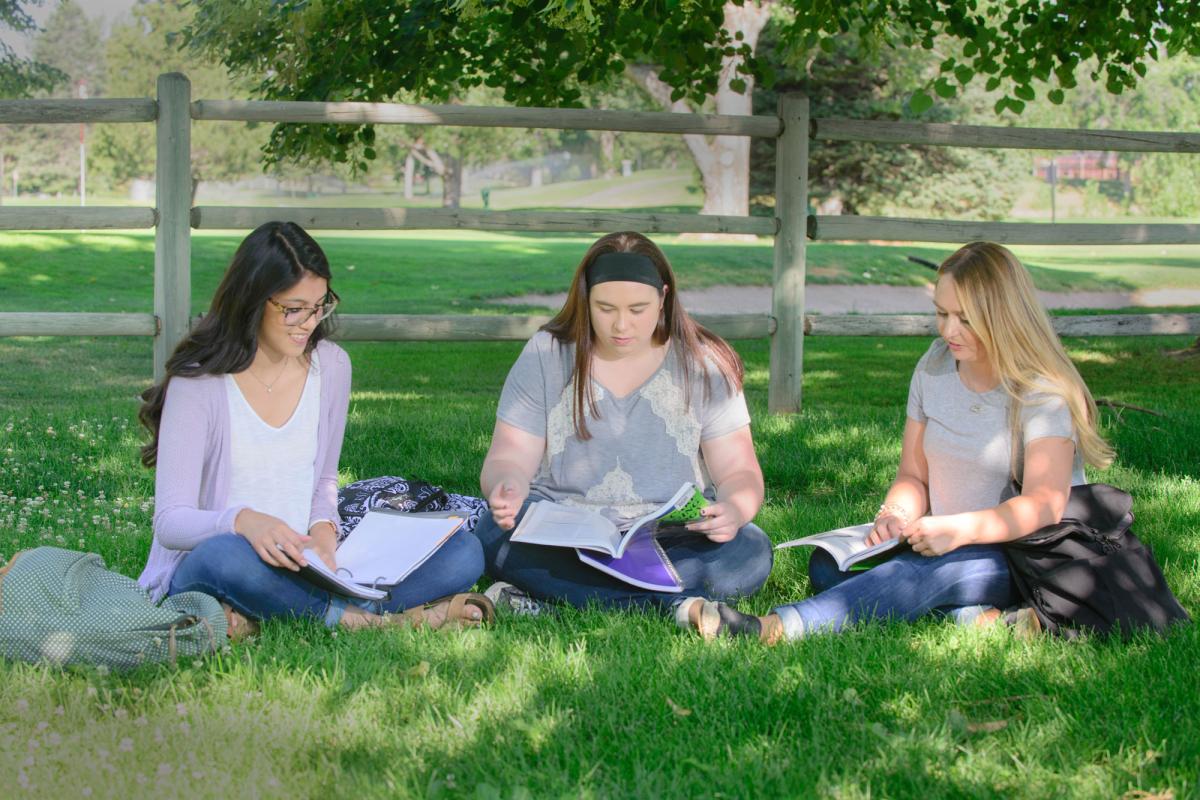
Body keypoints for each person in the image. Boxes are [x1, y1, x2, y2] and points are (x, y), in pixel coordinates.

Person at [683, 241, 1114, 643]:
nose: (949, 330)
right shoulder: (934, 365)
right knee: (828, 567)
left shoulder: (1041, 392)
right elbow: (913, 474)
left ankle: (779, 626)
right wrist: (894, 514)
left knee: (920, 574)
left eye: (965, 318)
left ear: (1003, 316)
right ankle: (983, 619)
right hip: (940, 536)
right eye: (941, 313)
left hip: (1018, 552)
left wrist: (957, 530)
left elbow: (1044, 505)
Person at [135, 221, 491, 635]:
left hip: (306, 562)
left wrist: (324, 533)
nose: (308, 322)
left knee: (465, 550)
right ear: (251, 301)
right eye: (293, 308)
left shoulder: (332, 366)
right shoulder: (199, 384)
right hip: (223, 558)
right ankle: (370, 621)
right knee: (226, 559)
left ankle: (274, 614)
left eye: (320, 305)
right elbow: (171, 522)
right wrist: (243, 521)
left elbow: (324, 480)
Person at [474, 231, 773, 617]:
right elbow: (508, 457)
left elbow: (739, 470)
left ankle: (560, 600)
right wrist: (507, 485)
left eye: (637, 309)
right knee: (493, 531)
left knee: (750, 550)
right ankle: (676, 608)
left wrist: (734, 507)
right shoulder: (547, 354)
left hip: (669, 538)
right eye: (605, 308)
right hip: (566, 531)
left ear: (664, 298)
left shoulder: (703, 362)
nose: (621, 326)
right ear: (585, 299)